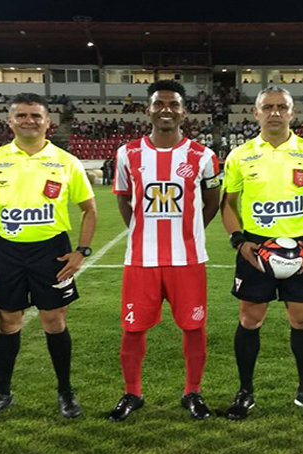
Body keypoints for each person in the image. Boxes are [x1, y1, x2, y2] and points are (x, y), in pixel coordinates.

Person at [0, 93, 97, 422]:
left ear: (47, 122)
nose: (28, 120)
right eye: (21, 115)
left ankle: (65, 392)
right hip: (5, 250)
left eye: (35, 116)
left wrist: (81, 251)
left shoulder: (66, 162)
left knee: (54, 321)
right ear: (10, 121)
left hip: (51, 251)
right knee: (8, 322)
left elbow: (89, 210)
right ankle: (2, 393)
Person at [221, 86, 303, 420]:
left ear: (292, 112)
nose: (275, 112)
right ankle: (245, 391)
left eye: (281, 107)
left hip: (301, 247)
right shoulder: (240, 156)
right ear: (256, 113)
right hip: (255, 248)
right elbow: (227, 205)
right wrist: (239, 241)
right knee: (250, 318)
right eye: (267, 107)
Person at [109, 80, 220, 422]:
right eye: (159, 104)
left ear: (184, 111)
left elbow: (213, 201)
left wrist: (189, 232)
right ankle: (132, 393)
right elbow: (124, 200)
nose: (166, 110)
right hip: (141, 260)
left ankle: (193, 391)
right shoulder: (128, 153)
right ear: (149, 110)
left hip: (187, 260)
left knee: (193, 327)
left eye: (173, 104)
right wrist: (141, 231)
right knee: (132, 328)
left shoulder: (204, 156)